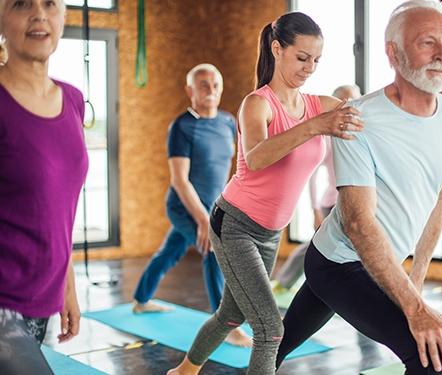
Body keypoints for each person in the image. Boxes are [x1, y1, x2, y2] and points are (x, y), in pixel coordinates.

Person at [276, 1, 442, 374]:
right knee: (429, 355)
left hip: (383, 262)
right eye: (427, 42)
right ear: (393, 53)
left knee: (277, 343)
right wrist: (415, 308)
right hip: (338, 263)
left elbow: (439, 197)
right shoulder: (357, 119)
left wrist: (416, 279)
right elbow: (359, 225)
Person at [167, 12, 364, 375]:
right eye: (302, 58)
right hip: (235, 224)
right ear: (277, 48)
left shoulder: (315, 104)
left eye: (316, 60)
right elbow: (256, 158)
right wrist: (314, 126)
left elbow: (368, 112)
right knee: (270, 329)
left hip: (269, 233)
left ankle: (182, 372)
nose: (310, 68)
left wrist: (427, 94)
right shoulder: (257, 103)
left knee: (231, 314)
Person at [131, 63, 252, 346]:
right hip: (184, 206)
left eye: (215, 85)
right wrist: (202, 219)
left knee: (170, 251)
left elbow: (227, 169)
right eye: (203, 85)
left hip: (213, 207)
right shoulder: (182, 127)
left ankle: (141, 299)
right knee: (215, 253)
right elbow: (179, 179)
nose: (210, 90)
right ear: (190, 90)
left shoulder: (227, 121)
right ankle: (227, 328)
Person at [0, 0, 87, 373]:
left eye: (49, 3)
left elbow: (57, 204)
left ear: (62, 16)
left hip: (42, 298)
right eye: (21, 4)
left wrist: (66, 283)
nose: (38, 14)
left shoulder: (72, 100)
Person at [272, 84, 361, 292]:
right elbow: (312, 175)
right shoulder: (329, 139)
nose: (351, 106)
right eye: (345, 101)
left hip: (354, 202)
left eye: (355, 100)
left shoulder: (359, 135)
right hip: (331, 203)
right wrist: (314, 211)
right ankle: (285, 281)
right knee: (316, 247)